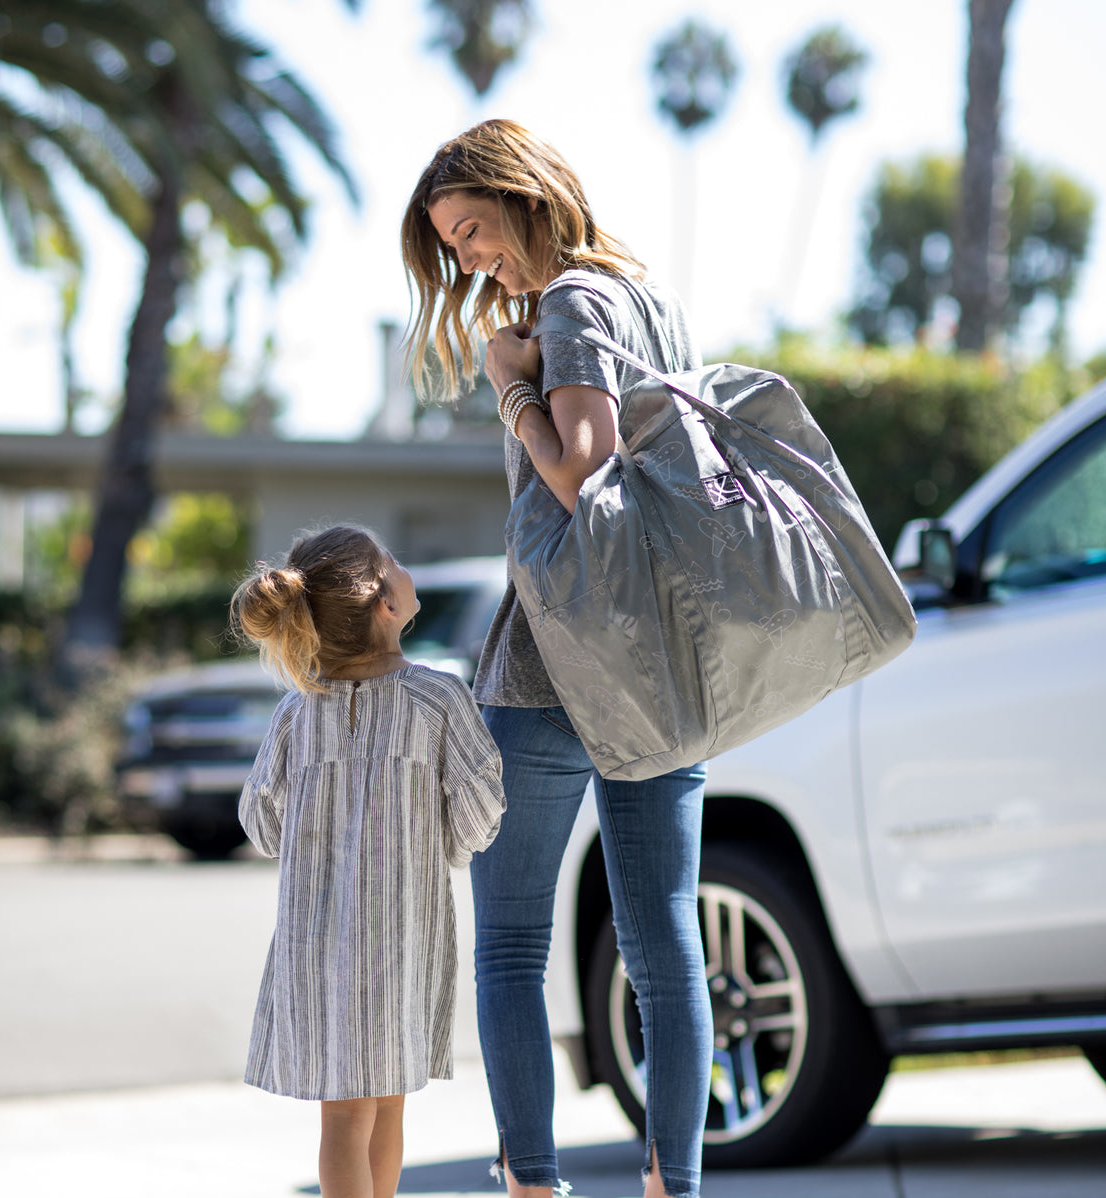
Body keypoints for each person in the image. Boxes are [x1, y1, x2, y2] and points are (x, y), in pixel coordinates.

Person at [400, 121, 713, 1198]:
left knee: (511, 946)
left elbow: (582, 478)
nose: (472, 261)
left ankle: (532, 1186)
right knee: (666, 949)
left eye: (476, 231)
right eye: (454, 249)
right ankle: (676, 1183)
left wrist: (511, 385)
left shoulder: (574, 303)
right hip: (658, 667)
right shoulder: (651, 301)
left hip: (548, 667)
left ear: (524, 196)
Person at [232, 525, 507, 1198]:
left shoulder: (297, 712)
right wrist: (439, 838)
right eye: (397, 564)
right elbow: (480, 816)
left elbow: (261, 825)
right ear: (385, 602)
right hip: (400, 937)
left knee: (357, 1109)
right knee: (378, 1102)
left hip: (316, 946)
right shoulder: (438, 698)